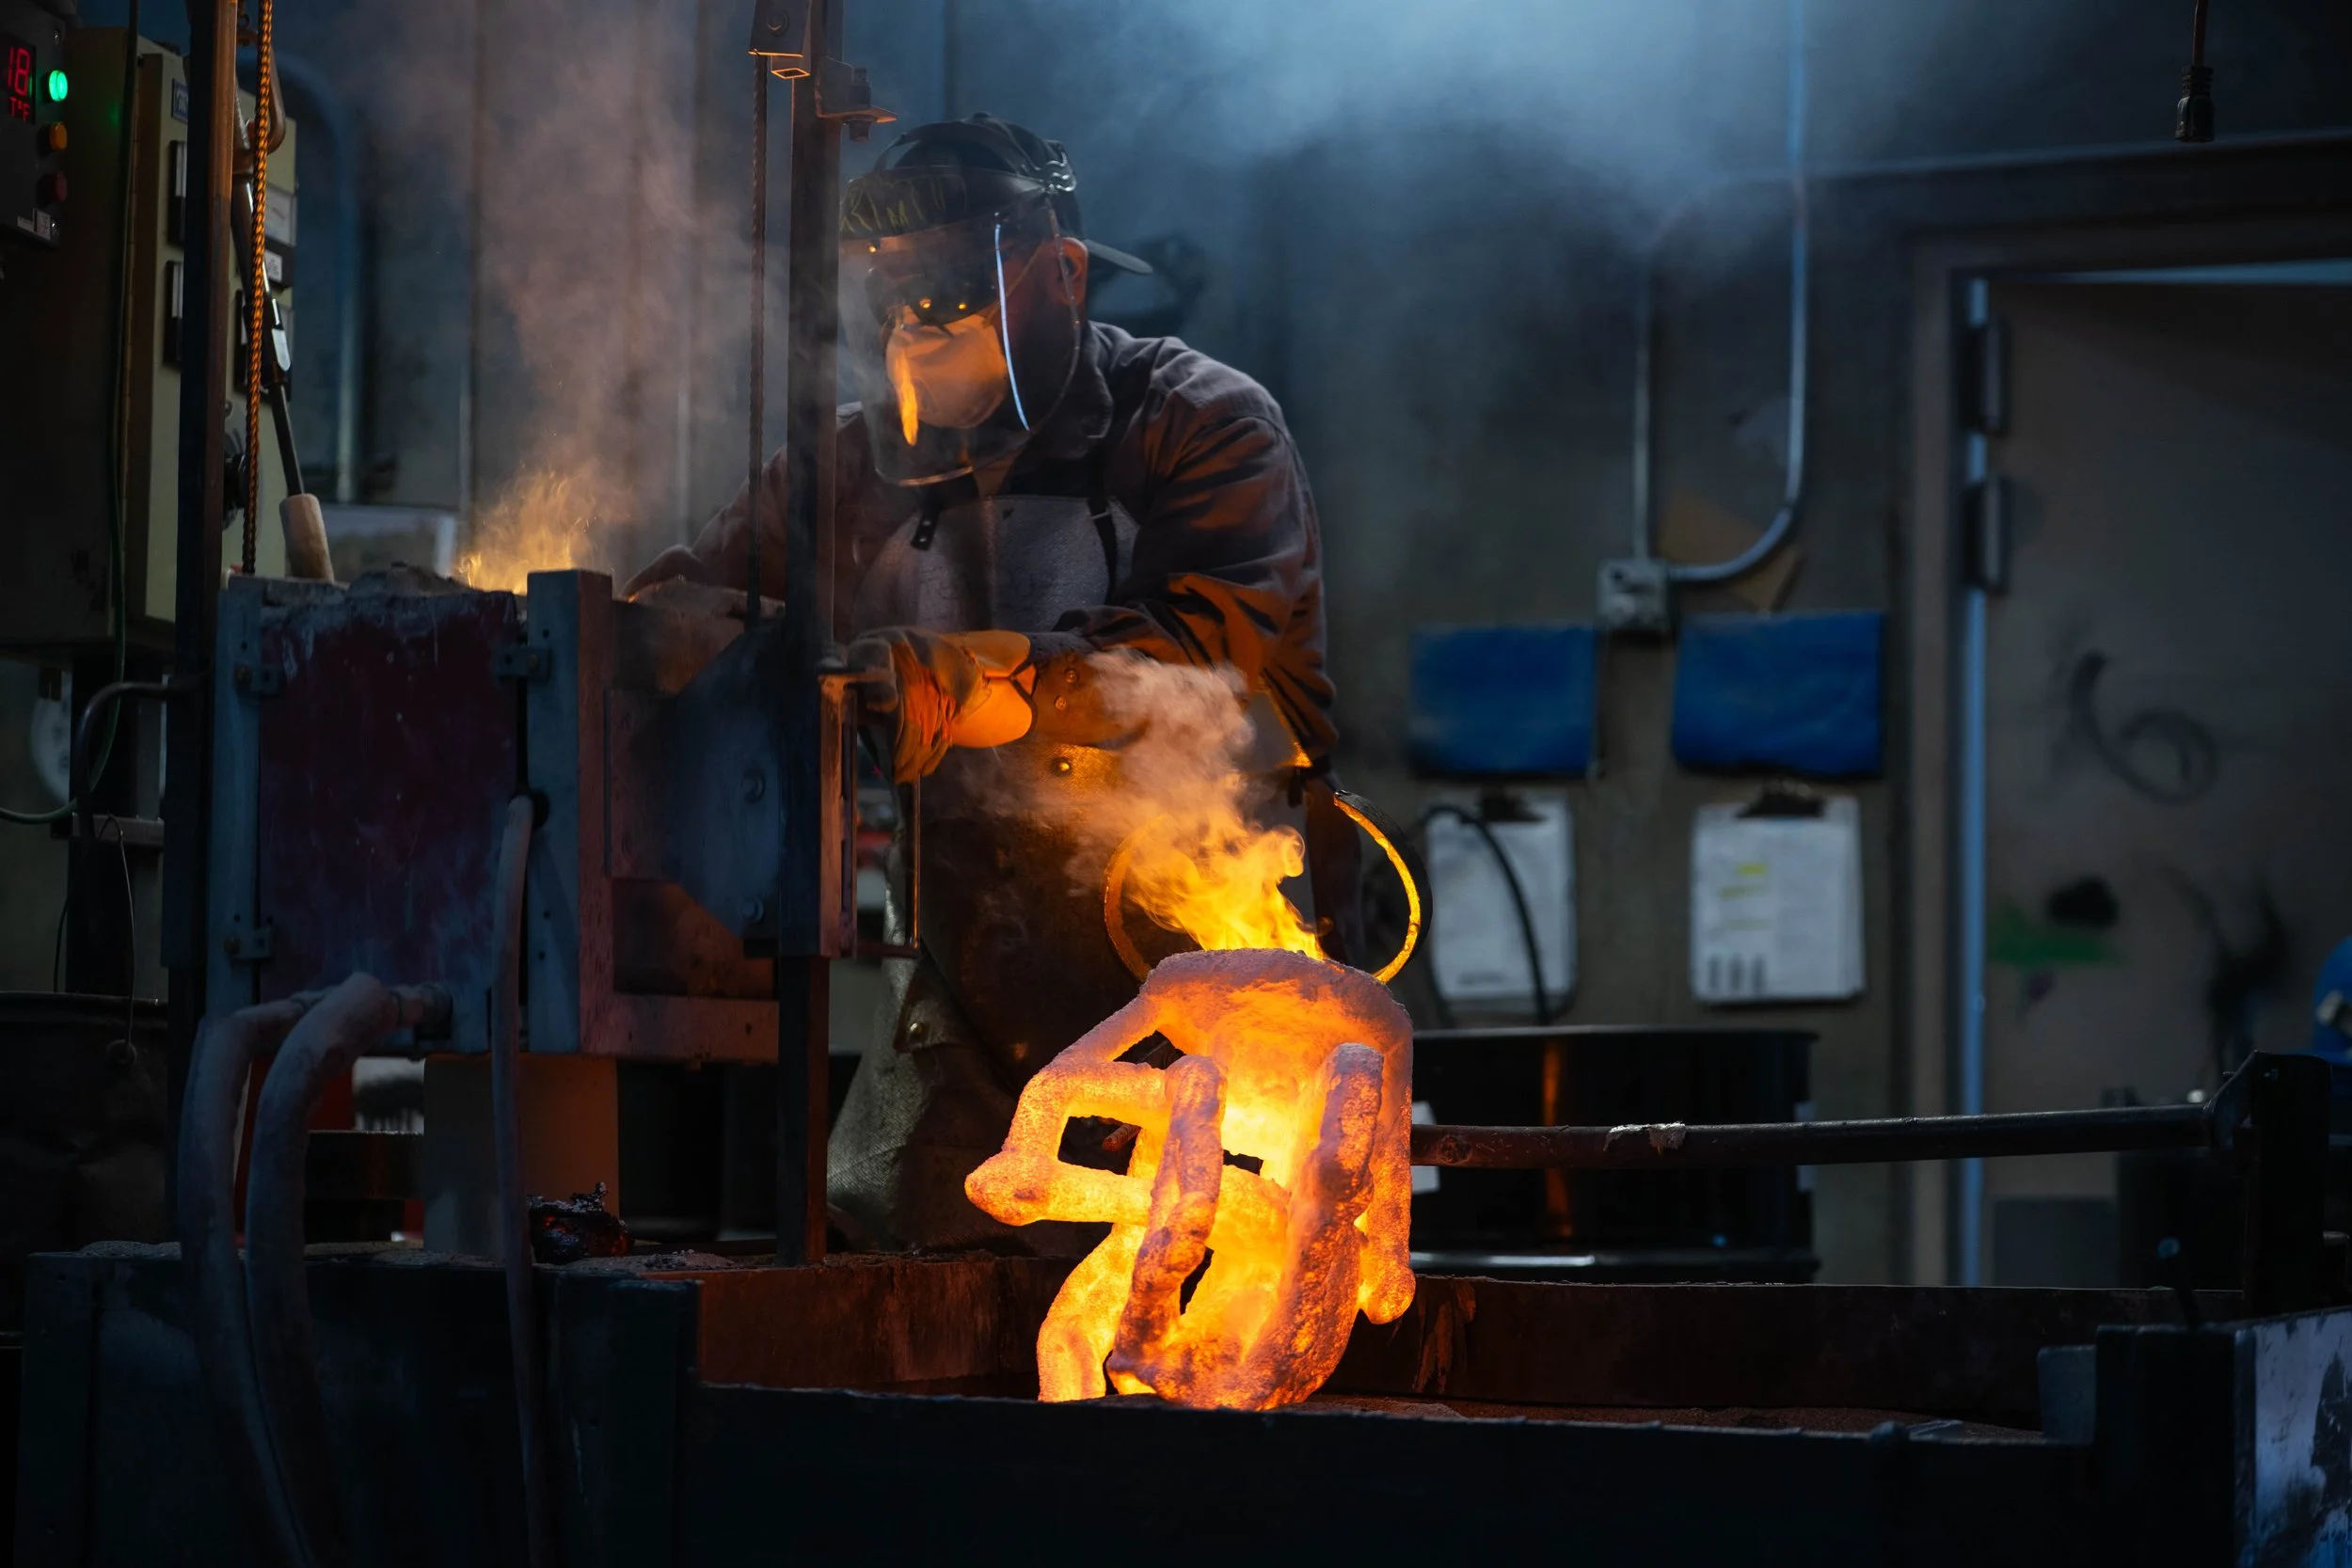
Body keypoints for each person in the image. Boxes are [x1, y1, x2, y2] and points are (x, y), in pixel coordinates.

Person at [625, 115, 1337, 1252]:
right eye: (891, 292)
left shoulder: (1194, 421)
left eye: (951, 286)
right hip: (968, 984)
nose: (917, 323)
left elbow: (1207, 659)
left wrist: (986, 681)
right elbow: (697, 614)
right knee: (896, 1282)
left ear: (1060, 273)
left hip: (1194, 974)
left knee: (1193, 1301)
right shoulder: (851, 469)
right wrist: (591, 639)